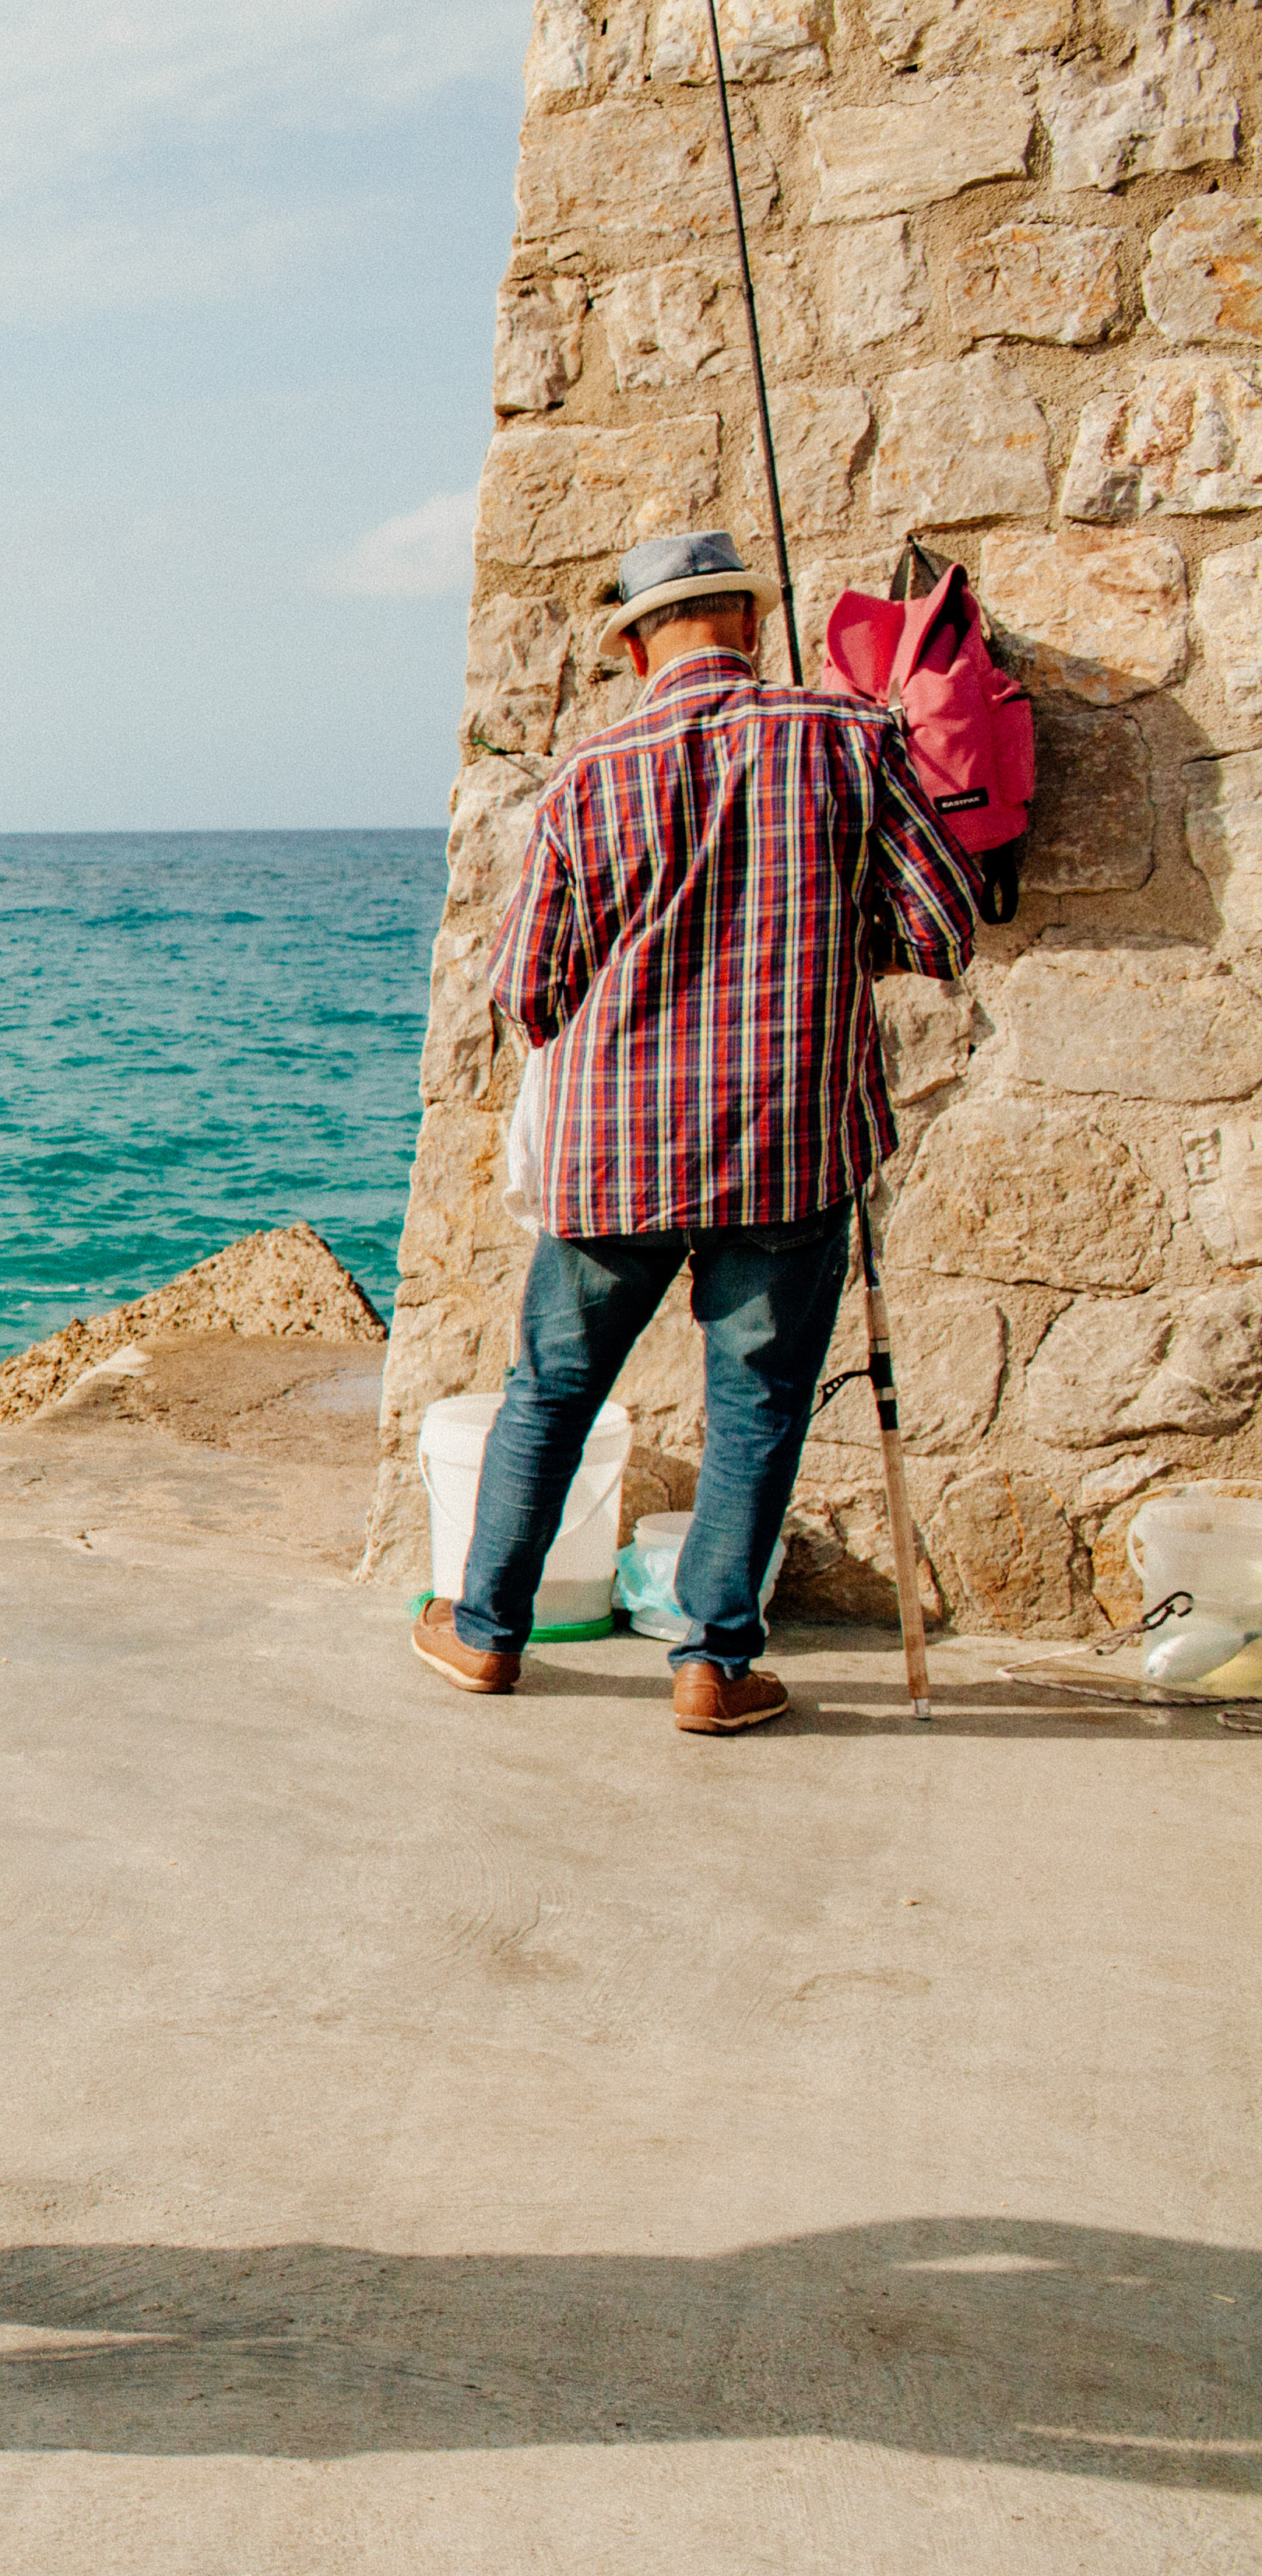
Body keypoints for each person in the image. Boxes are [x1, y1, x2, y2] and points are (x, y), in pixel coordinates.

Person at [416, 528, 979, 1733]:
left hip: (609, 1161)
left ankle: (483, 1637)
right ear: (751, 627)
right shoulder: (852, 740)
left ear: (632, 646)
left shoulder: (586, 779)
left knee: (551, 1395)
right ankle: (714, 1663)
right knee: (758, 1409)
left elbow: (527, 990)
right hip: (788, 1152)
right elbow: (942, 925)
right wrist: (828, 947)